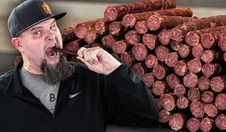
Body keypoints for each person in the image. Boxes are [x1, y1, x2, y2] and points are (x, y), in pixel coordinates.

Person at [0, 0, 159, 131]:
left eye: (52, 27)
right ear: (19, 44)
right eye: (37, 32)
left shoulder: (92, 80)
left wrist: (116, 70)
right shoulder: (3, 93)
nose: (52, 37)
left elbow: (147, 118)